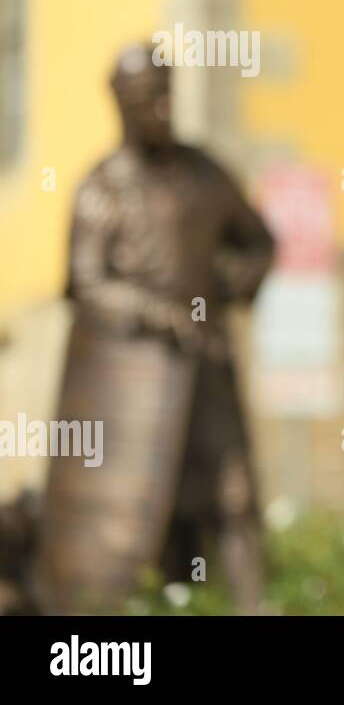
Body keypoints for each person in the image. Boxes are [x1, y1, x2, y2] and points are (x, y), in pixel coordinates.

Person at [31, 42, 274, 614]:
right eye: (147, 101)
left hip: (206, 368)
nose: (160, 110)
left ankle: (256, 606)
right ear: (122, 106)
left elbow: (258, 241)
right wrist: (151, 311)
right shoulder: (103, 189)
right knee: (148, 515)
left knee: (232, 497)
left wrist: (236, 281)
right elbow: (84, 282)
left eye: (165, 96)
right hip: (133, 391)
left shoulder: (205, 175)